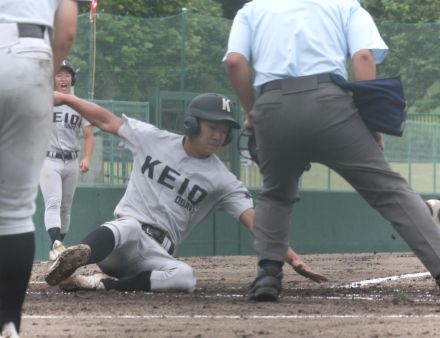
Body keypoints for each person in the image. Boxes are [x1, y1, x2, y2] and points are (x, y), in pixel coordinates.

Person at [225, 0, 440, 302]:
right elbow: (363, 56)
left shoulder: (252, 9)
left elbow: (234, 62)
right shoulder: (344, 4)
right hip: (330, 106)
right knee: (390, 191)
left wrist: (252, 112)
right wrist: (370, 121)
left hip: (272, 104)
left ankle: (268, 275)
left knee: (276, 193)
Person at [44, 92, 328, 293]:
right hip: (119, 244)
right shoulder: (152, 139)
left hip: (154, 256)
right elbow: (106, 120)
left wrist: (291, 257)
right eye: (213, 127)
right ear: (192, 123)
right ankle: (73, 256)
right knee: (129, 226)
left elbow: (254, 220)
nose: (218, 136)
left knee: (185, 277)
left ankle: (96, 284)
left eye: (224, 130)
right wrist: (68, 98)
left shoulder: (222, 180)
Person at [0, 0, 78, 336]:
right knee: (15, 212)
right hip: (29, 53)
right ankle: (8, 323)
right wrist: (41, 74)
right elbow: (67, 29)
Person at [40, 60, 94, 261]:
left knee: (66, 207)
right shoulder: (44, 101)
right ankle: (56, 243)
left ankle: (57, 246)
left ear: (73, 79)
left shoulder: (79, 104)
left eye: (67, 75)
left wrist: (87, 157)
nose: (63, 79)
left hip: (72, 161)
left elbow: (89, 135)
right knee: (53, 202)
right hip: (49, 160)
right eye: (59, 75)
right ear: (53, 79)